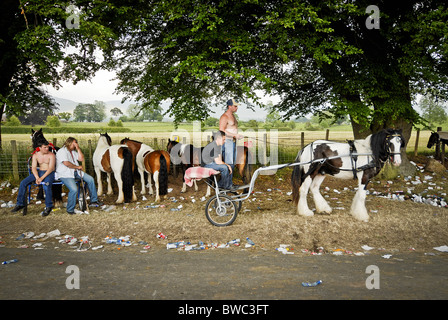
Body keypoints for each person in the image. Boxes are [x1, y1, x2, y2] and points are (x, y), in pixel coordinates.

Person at [56, 137, 102, 214]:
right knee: (74, 189)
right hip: (65, 174)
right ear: (70, 143)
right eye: (75, 142)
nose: (76, 144)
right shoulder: (62, 151)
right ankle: (70, 209)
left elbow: (81, 159)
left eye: (76, 143)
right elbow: (66, 163)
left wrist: (78, 148)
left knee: (90, 179)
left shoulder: (73, 151)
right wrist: (77, 167)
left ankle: (94, 201)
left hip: (76, 172)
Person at [11, 141, 55, 216]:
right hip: (39, 172)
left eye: (48, 147)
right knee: (23, 183)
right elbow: (34, 167)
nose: (47, 149)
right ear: (40, 148)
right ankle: (20, 204)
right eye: (45, 147)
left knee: (46, 186)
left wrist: (41, 178)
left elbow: (51, 168)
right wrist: (37, 177)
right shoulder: (36, 155)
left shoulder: (51, 155)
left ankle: (49, 206)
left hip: (48, 173)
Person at [219, 98, 244, 188]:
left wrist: (237, 135)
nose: (237, 108)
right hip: (227, 142)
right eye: (235, 106)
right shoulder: (224, 117)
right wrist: (234, 135)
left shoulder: (233, 116)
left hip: (233, 142)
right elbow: (221, 130)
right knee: (229, 164)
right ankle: (225, 184)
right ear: (229, 106)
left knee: (232, 163)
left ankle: (228, 183)